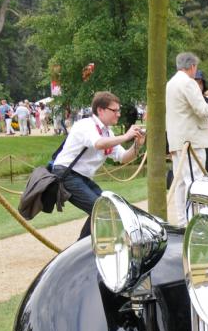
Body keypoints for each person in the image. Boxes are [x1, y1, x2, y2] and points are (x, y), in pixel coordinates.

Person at [51, 91, 143, 237]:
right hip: (66, 174)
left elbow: (124, 157)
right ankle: (81, 250)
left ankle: (85, 247)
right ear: (100, 110)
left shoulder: (108, 133)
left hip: (83, 177)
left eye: (118, 110)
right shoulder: (86, 125)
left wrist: (137, 144)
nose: (118, 114)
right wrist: (126, 136)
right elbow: (99, 144)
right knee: (101, 210)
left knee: (109, 208)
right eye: (115, 110)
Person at [165, 52, 208, 224]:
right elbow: (202, 110)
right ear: (192, 66)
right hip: (191, 140)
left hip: (177, 140)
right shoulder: (187, 82)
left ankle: (183, 221)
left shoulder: (171, 83)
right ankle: (194, 221)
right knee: (194, 181)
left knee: (181, 182)